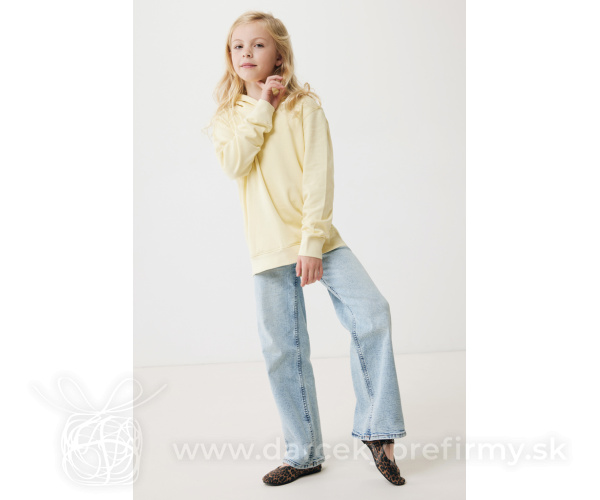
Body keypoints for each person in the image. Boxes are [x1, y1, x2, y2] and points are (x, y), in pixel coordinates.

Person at [207, 10, 407, 486]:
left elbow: (319, 178)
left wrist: (312, 243)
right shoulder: (228, 117)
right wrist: (262, 106)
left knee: (372, 312)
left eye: (258, 44)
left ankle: (378, 430)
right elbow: (235, 164)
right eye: (237, 46)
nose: (246, 53)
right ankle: (303, 454)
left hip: (318, 241)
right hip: (268, 248)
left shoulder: (304, 108)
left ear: (279, 54)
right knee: (283, 350)